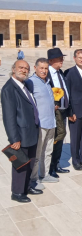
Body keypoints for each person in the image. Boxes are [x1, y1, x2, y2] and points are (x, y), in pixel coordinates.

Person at [1, 60, 41, 202]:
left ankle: (27, 186)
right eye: (21, 68)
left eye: (26, 68)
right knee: (20, 164)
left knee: (30, 162)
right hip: (21, 135)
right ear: (13, 69)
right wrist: (14, 139)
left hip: (31, 131)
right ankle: (17, 192)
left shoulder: (24, 85)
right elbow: (9, 117)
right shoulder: (9, 89)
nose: (24, 70)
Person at [25, 58, 58, 191]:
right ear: (35, 68)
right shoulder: (31, 82)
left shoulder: (47, 82)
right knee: (37, 154)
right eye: (41, 68)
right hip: (41, 124)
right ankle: (33, 179)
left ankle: (44, 174)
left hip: (51, 122)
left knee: (48, 151)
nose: (44, 71)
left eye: (46, 68)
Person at [46, 48, 70, 178]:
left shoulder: (60, 73)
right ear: (51, 61)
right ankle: (49, 167)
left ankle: (56, 164)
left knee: (60, 139)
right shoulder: (46, 75)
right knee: (53, 140)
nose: (62, 60)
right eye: (59, 58)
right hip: (54, 113)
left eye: (62, 57)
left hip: (63, 111)